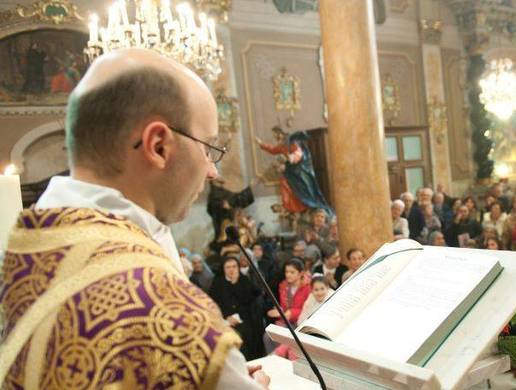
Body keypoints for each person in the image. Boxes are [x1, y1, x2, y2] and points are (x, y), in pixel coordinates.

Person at [0, 49, 269, 388]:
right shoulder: (174, 317)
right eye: (208, 148)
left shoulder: (23, 251)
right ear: (158, 146)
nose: (213, 170)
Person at [256, 126, 333, 217]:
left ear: (280, 133)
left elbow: (299, 153)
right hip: (292, 171)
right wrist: (261, 144)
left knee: (307, 189)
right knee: (289, 185)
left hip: (300, 170)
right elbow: (273, 150)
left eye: (275, 134)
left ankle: (316, 206)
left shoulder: (291, 141)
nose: (275, 137)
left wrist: (291, 158)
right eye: (274, 135)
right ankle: (300, 208)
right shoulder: (282, 145)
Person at [209, 256, 266, 360]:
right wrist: (227, 317)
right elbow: (213, 304)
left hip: (245, 317)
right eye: (228, 267)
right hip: (225, 318)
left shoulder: (244, 280)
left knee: (249, 333)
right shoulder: (217, 282)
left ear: (238, 268)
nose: (231, 269)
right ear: (223, 269)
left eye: (234, 266)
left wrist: (236, 283)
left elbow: (251, 299)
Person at [268, 258, 311, 329]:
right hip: (287, 321)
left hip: (303, 324)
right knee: (268, 336)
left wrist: (292, 313)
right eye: (286, 272)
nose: (288, 275)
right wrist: (280, 311)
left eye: (292, 272)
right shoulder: (283, 285)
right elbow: (284, 307)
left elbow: (310, 310)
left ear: (301, 273)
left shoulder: (308, 287)